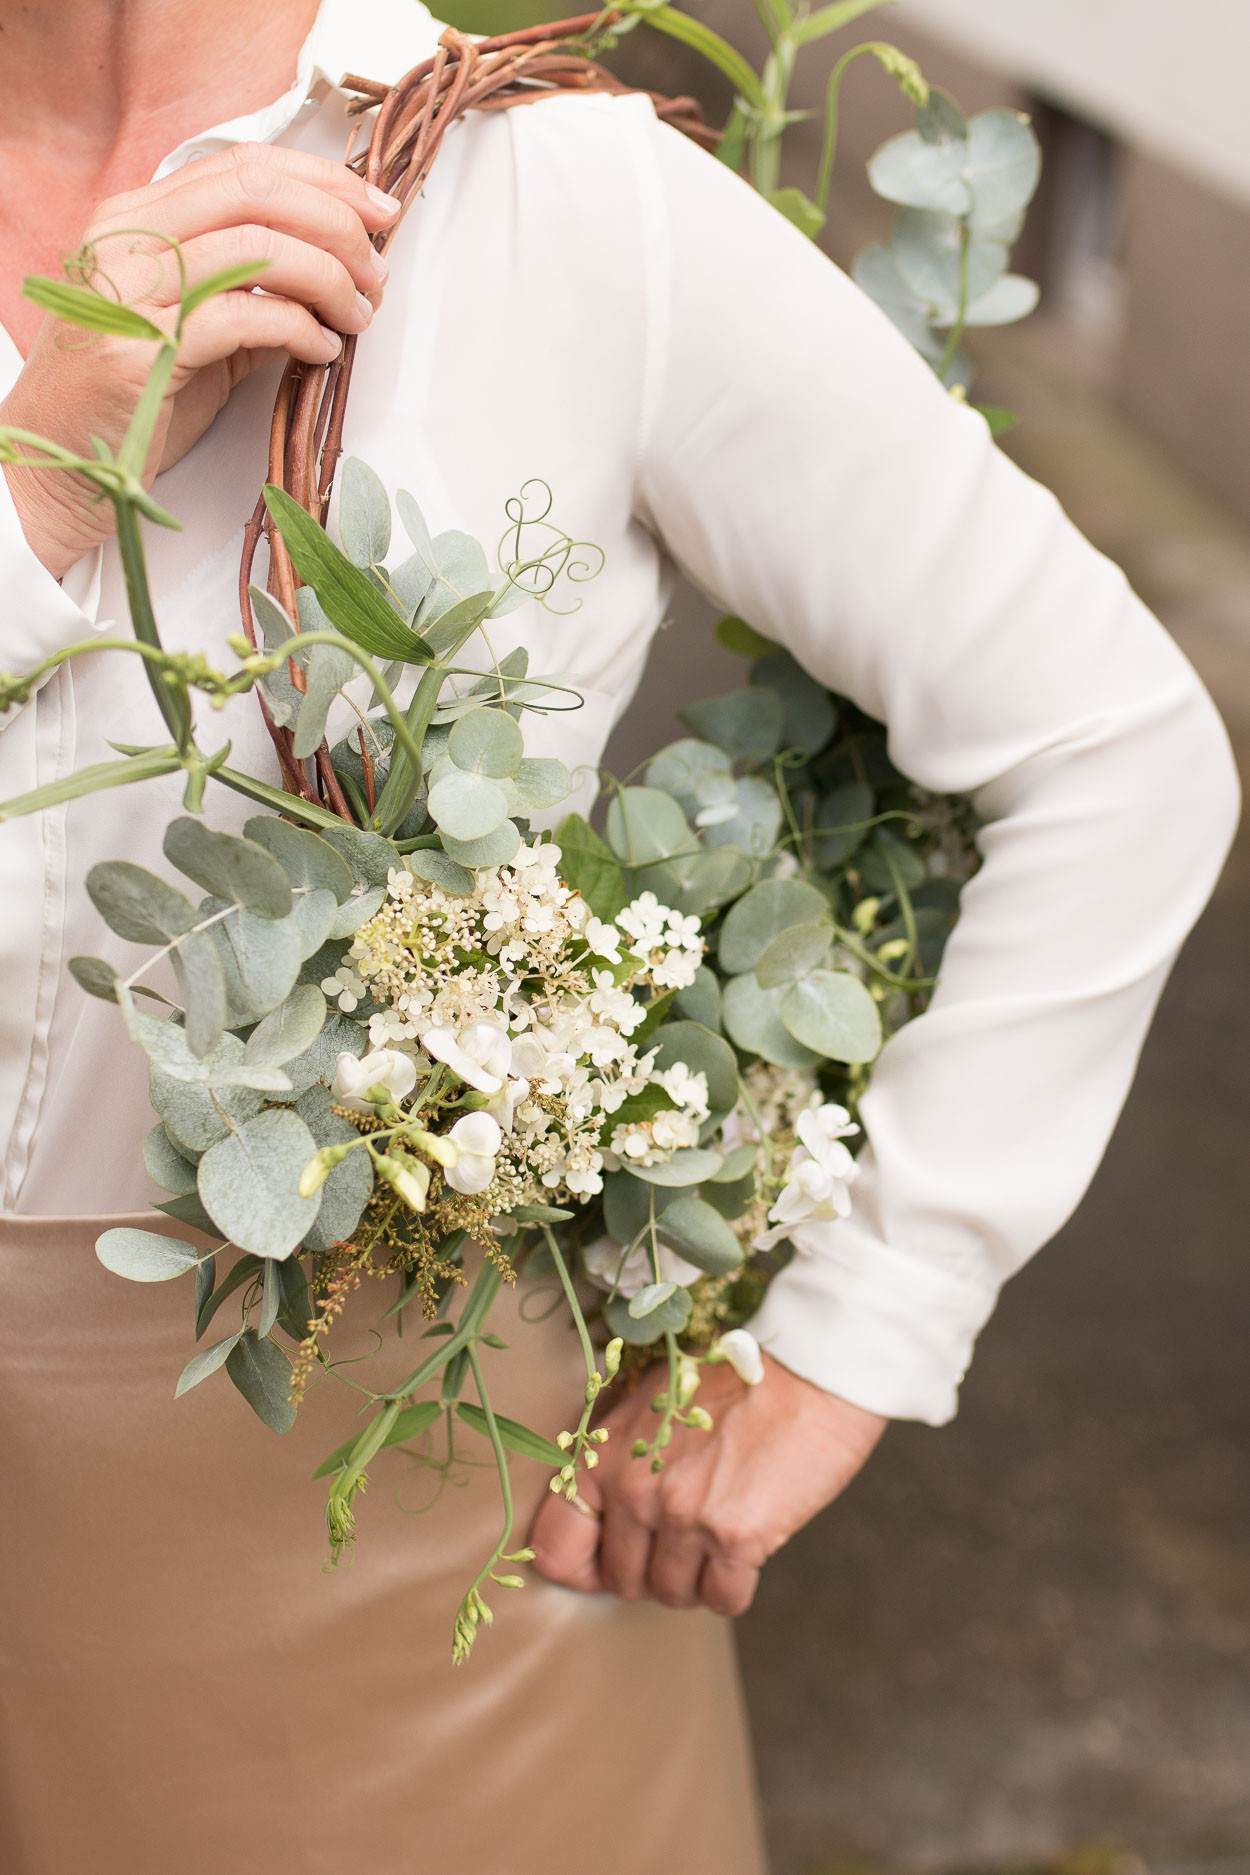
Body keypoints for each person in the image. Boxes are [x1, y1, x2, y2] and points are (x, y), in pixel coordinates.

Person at [0, 1, 1237, 1871]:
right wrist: (30, 483)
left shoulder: (557, 206)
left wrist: (861, 1330)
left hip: (381, 1551)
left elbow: (1112, 746)